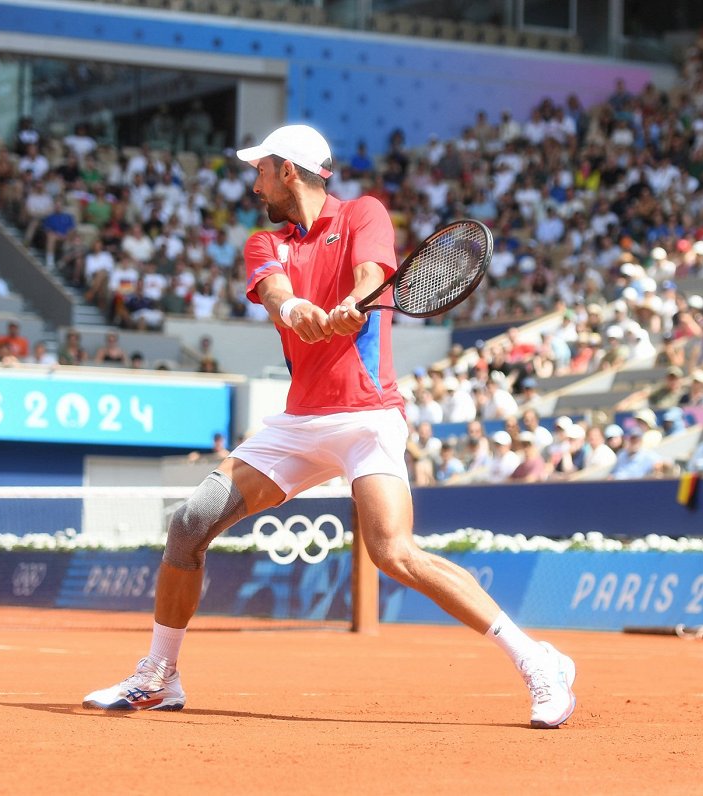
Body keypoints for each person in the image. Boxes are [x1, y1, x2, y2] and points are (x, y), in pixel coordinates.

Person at [82, 124, 576, 728]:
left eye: (261, 170)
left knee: (393, 551)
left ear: (289, 170)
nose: (255, 183)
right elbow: (275, 293)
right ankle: (160, 674)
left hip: (368, 416)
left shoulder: (365, 212)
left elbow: (373, 274)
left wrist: (352, 303)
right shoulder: (265, 241)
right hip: (298, 423)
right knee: (189, 524)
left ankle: (537, 660)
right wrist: (300, 311)